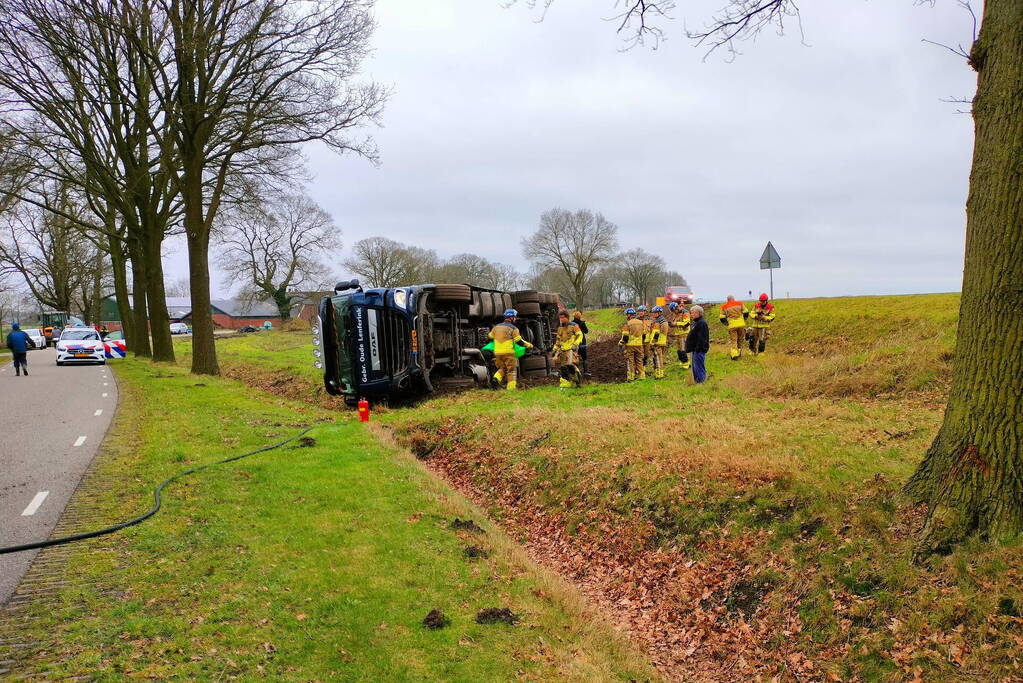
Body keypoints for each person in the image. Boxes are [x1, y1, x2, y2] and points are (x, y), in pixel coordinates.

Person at [488, 309, 533, 391]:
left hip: (497, 353)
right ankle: (511, 389)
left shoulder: (496, 327)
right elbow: (518, 341)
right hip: (508, 353)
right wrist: (528, 345)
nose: (515, 319)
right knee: (511, 370)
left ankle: (495, 379)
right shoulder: (514, 328)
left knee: (502, 368)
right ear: (512, 318)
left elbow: (490, 336)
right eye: (515, 317)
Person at [554, 311, 584, 389]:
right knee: (563, 368)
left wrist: (576, 344)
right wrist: (555, 349)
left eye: (563, 317)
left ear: (567, 317)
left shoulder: (574, 326)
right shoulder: (560, 328)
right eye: (560, 318)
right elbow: (558, 340)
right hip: (563, 350)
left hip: (571, 350)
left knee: (570, 365)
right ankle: (565, 384)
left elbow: (580, 335)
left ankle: (577, 380)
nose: (561, 319)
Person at [718, 294, 749, 360]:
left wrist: (727, 323)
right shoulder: (740, 303)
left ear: (727, 300)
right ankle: (739, 352)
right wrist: (744, 319)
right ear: (734, 299)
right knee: (740, 339)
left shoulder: (724, 307)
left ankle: (735, 355)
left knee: (734, 340)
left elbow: (722, 318)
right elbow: (746, 312)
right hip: (741, 324)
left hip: (732, 325)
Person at [618, 307, 646, 381]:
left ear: (629, 315)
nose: (626, 316)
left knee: (630, 361)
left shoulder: (627, 324)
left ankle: (631, 377)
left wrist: (620, 344)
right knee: (639, 360)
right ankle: (642, 376)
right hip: (639, 345)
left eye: (627, 315)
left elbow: (625, 337)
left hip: (630, 345)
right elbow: (644, 335)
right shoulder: (641, 322)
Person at [686, 305, 710, 383]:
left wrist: (698, 348)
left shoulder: (701, 323)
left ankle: (702, 382)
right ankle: (698, 382)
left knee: (699, 367)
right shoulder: (697, 323)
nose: (691, 314)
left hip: (699, 350)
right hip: (695, 350)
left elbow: (702, 338)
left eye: (692, 313)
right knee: (695, 368)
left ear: (698, 313)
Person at [667, 301, 691, 369]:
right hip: (677, 333)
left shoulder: (685, 312)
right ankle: (682, 361)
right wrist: (671, 324)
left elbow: (686, 324)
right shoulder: (675, 313)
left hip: (684, 333)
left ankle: (687, 363)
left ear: (677, 308)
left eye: (674, 311)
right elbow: (675, 321)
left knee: (684, 349)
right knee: (679, 350)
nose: (673, 312)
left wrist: (676, 324)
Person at [650, 305, 669, 379]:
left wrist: (653, 342)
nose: (653, 314)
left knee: (657, 358)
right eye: (653, 313)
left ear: (659, 313)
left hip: (657, 343)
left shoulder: (658, 322)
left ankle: (659, 375)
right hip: (663, 341)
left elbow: (656, 334)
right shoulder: (664, 320)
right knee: (660, 358)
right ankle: (660, 373)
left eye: (655, 313)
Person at [572, 310, 591, 376]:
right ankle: (586, 372)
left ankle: (575, 372)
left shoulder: (571, 323)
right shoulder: (582, 323)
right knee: (584, 358)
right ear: (580, 316)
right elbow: (586, 331)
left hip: (574, 343)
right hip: (582, 343)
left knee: (574, 358)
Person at [636, 304, 652, 370]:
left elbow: (652, 329)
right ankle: (641, 369)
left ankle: (644, 366)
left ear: (645, 312)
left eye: (642, 311)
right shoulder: (636, 320)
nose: (641, 312)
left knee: (646, 355)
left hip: (647, 341)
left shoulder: (649, 319)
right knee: (640, 355)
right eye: (639, 311)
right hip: (640, 340)